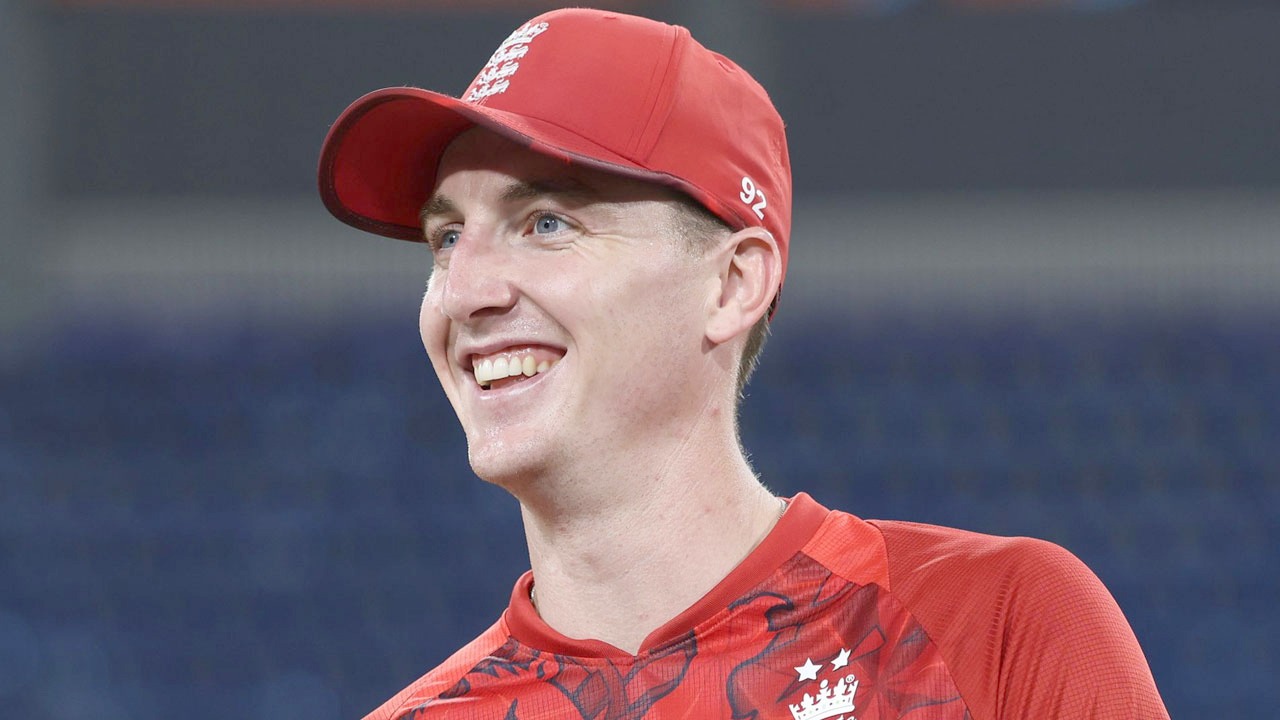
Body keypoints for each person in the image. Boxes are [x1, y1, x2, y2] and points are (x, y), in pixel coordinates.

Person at [318, 8, 1169, 719]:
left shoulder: (997, 629)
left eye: (546, 223)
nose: (463, 293)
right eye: (447, 239)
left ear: (732, 285)